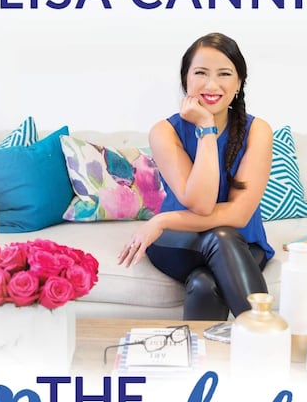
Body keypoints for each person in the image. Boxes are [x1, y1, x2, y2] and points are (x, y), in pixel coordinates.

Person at [118, 32, 275, 320]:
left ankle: (202, 363)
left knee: (206, 283)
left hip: (242, 242)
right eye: (200, 73)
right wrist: (206, 129)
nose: (212, 84)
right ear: (186, 81)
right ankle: (268, 339)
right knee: (221, 236)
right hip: (178, 243)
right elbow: (201, 203)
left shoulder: (258, 130)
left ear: (239, 83)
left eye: (225, 74)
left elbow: (239, 215)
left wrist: (162, 219)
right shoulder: (164, 132)